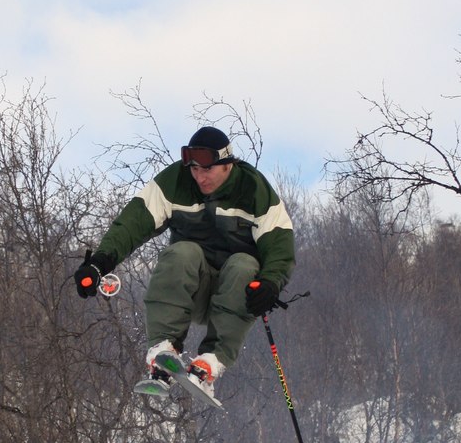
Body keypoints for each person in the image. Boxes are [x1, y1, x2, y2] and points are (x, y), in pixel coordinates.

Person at [73, 126, 295, 400]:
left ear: (227, 165)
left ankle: (209, 364)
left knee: (244, 264)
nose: (200, 178)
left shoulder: (252, 188)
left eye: (207, 170)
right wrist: (98, 264)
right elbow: (133, 223)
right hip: (191, 291)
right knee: (183, 252)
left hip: (235, 294)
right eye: (194, 170)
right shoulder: (175, 182)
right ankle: (163, 350)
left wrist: (271, 282)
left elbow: (279, 242)